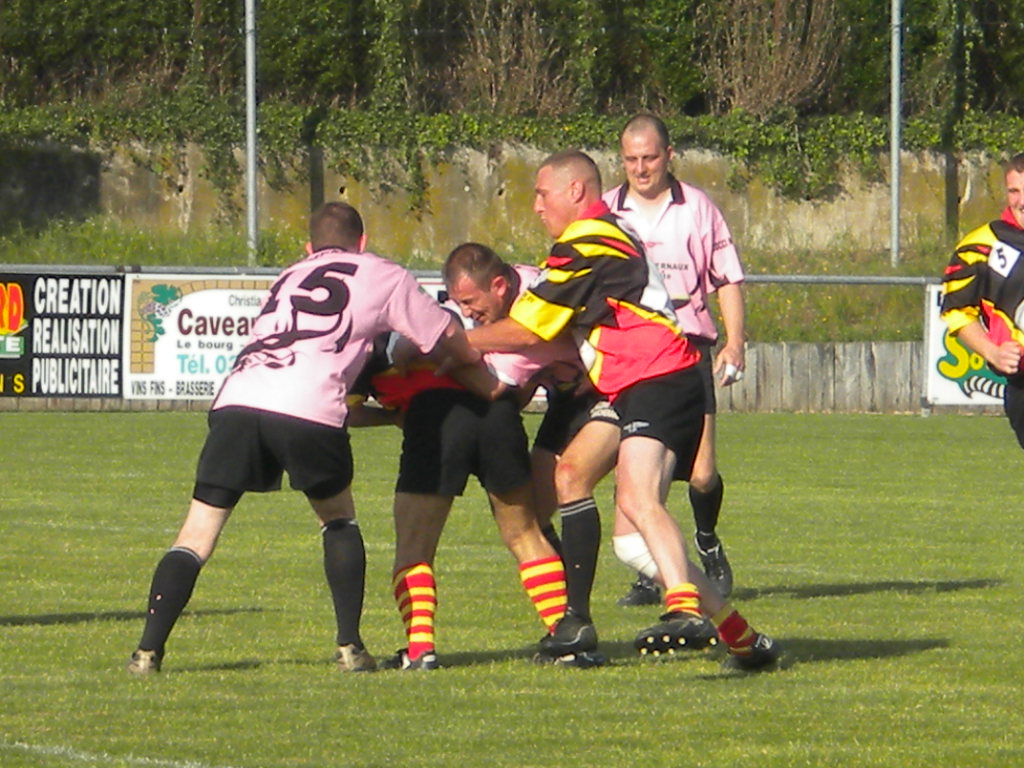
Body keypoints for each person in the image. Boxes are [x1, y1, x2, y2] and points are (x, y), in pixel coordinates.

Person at [126, 202, 485, 675]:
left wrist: (382, 415)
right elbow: (444, 334)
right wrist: (482, 374)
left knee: (195, 535)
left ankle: (147, 651)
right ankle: (350, 646)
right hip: (308, 405)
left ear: (309, 247)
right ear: (362, 242)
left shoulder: (289, 275)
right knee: (338, 520)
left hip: (237, 399)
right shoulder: (383, 273)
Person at [466, 150, 779, 670]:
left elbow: (530, 329)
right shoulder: (601, 235)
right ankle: (744, 640)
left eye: (542, 194)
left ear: (575, 191)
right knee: (611, 519)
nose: (536, 206)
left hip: (659, 375)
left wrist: (453, 342)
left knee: (635, 499)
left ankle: (681, 610)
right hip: (641, 383)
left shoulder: (588, 239)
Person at [363, 242, 590, 670]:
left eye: (471, 303)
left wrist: (432, 348)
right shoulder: (527, 287)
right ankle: (569, 640)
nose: (468, 312)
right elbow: (505, 390)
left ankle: (420, 650)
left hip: (440, 416)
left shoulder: (526, 317)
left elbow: (488, 383)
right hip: (498, 420)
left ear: (499, 286)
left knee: (415, 544)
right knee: (525, 534)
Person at [603, 113, 745, 605]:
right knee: (642, 466)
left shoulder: (698, 208)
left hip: (689, 348)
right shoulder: (607, 212)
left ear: (669, 156)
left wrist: (735, 342)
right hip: (634, 354)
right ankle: (650, 570)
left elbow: (727, 278)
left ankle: (707, 540)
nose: (640, 168)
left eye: (649, 158)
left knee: (701, 473)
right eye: (631, 159)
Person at [941, 152, 1024, 445]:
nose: (1022, 201)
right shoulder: (979, 248)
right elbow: (957, 312)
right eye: (1014, 191)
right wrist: (993, 352)